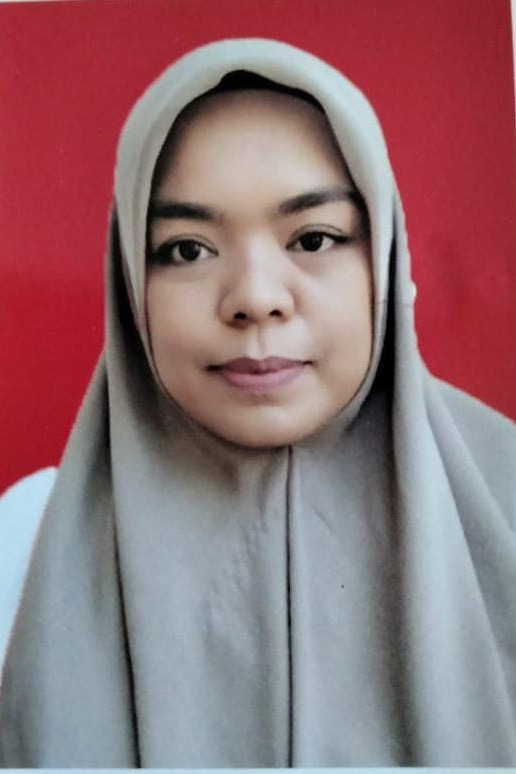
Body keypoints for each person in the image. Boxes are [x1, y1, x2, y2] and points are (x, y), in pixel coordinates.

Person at [0, 38, 515, 768]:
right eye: (187, 249)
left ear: (384, 257)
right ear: (130, 285)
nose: (255, 298)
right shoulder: (23, 539)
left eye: (314, 238)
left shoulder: (505, 499)